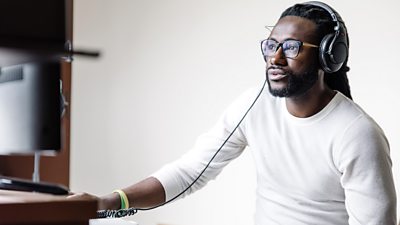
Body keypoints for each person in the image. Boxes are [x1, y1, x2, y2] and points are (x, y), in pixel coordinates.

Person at [71, 1, 397, 224]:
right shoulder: (253, 107)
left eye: (292, 48)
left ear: (329, 57)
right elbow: (190, 172)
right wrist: (108, 202)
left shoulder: (356, 134)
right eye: (271, 46)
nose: (276, 59)